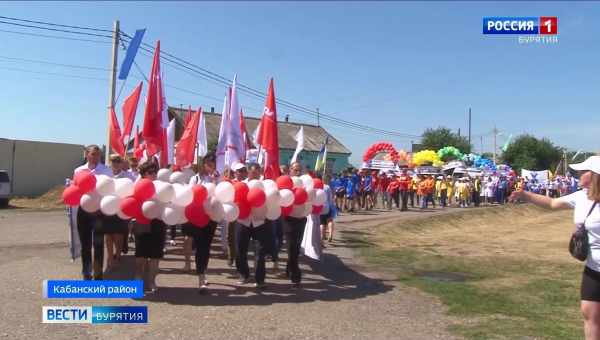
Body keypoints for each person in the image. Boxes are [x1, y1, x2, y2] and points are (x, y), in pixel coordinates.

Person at [509, 156, 600, 340]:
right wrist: (525, 195)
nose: (578, 175)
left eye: (582, 172)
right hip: (593, 268)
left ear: (594, 176)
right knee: (589, 312)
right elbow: (552, 203)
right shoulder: (580, 196)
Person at [73, 145, 113, 280]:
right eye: (93, 154)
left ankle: (98, 272)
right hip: (83, 211)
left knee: (98, 244)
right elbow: (75, 189)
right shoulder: (78, 170)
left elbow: (110, 189)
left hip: (99, 212)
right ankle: (86, 272)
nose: (96, 157)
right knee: (85, 245)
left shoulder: (106, 171)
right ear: (87, 155)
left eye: (98, 154)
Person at [133, 161, 166, 293]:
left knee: (155, 255)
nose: (153, 174)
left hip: (158, 222)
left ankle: (151, 281)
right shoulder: (137, 185)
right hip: (142, 222)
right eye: (150, 172)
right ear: (143, 174)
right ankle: (138, 278)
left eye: (155, 172)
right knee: (141, 254)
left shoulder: (160, 186)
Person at [284, 161, 307, 289]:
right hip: (288, 220)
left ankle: (289, 269)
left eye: (299, 170)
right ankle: (296, 277)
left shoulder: (305, 183)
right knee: (292, 248)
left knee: (295, 248)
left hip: (302, 220)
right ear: (290, 171)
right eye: (295, 170)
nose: (297, 172)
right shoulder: (285, 184)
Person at [104, 154, 129, 270]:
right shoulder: (106, 175)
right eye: (113, 161)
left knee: (119, 235)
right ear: (110, 162)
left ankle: (118, 255)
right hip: (107, 208)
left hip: (121, 209)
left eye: (118, 161)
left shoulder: (127, 176)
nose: (116, 163)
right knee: (108, 235)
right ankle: (110, 257)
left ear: (122, 163)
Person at [320, 178, 338, 244]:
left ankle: (322, 237)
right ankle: (330, 234)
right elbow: (330, 198)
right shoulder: (327, 187)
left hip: (320, 206)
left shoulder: (317, 187)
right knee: (330, 220)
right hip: (327, 205)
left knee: (322, 223)